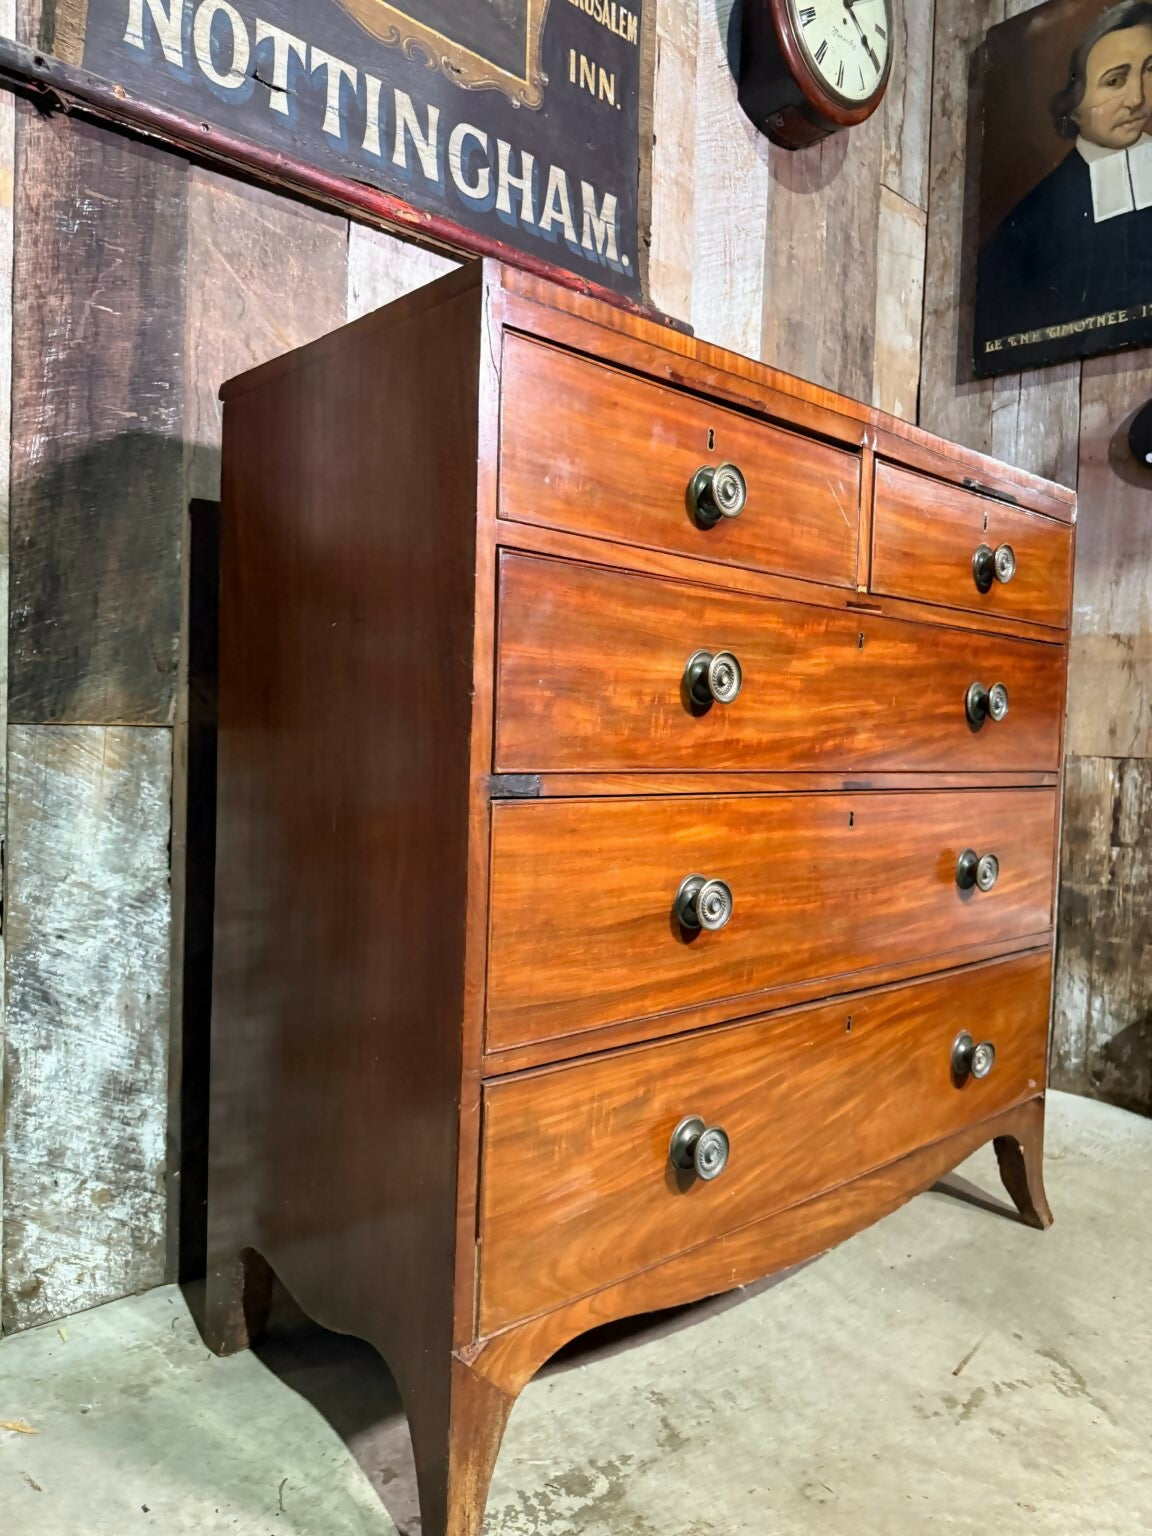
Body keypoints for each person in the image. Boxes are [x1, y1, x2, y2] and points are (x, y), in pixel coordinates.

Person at [975, 0, 1152, 365]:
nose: (1137, 99)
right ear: (1072, 104)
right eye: (1114, 81)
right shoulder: (1025, 229)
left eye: (1148, 71)